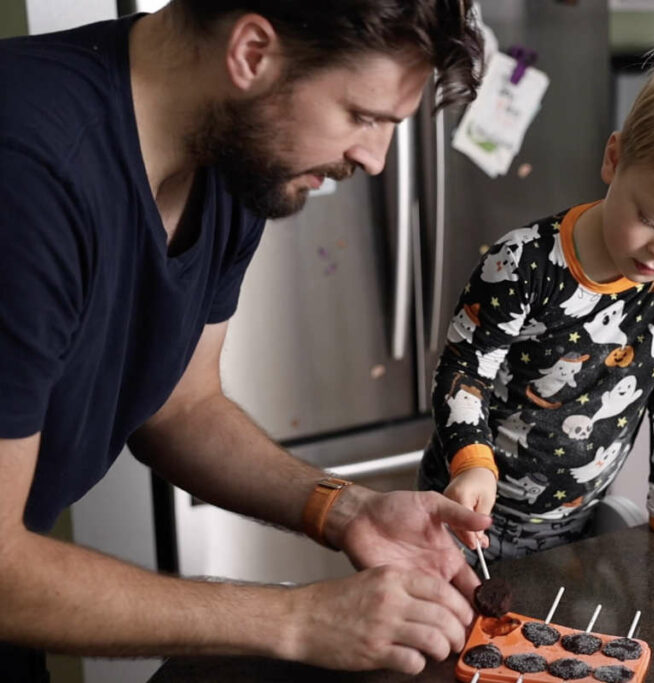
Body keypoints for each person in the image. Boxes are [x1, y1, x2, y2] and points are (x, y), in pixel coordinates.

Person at [0, 1, 493, 678]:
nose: (375, 160)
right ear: (252, 53)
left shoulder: (235, 160)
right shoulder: (27, 173)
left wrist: (348, 511)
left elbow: (183, 405)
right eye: (362, 116)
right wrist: (301, 619)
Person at [420, 38, 654, 560]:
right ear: (614, 159)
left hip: (580, 520)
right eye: (650, 219)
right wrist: (472, 463)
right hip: (464, 518)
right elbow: (462, 373)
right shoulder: (523, 264)